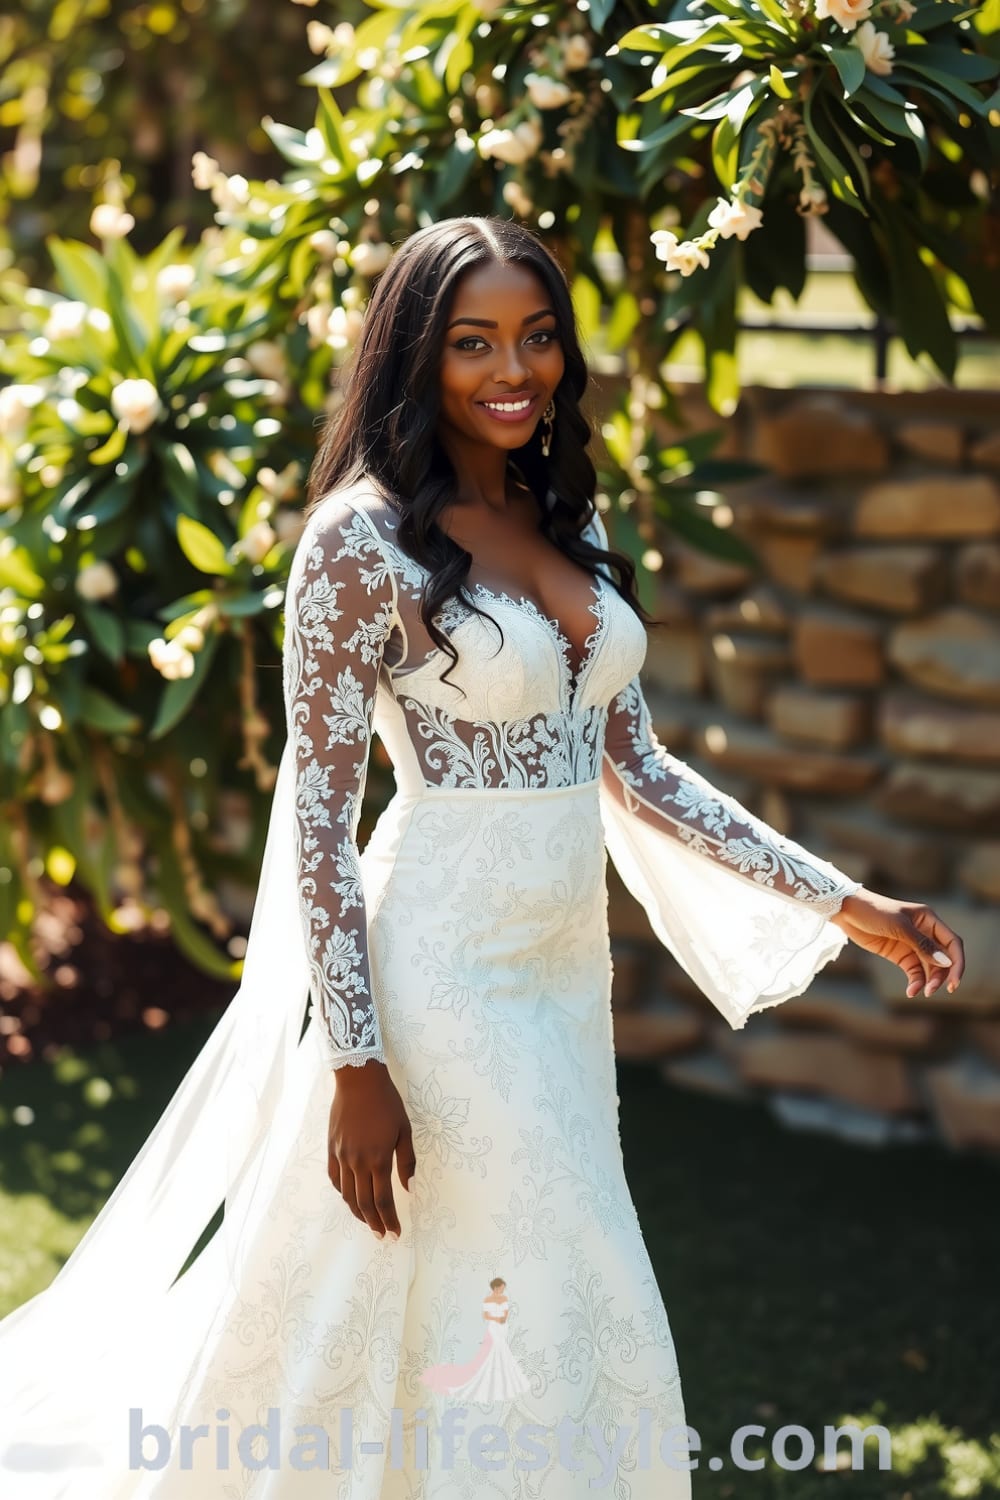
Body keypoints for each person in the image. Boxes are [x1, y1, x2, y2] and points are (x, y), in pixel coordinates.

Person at [0, 215, 964, 1499]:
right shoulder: (357, 546)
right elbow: (319, 830)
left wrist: (846, 902)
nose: (514, 368)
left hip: (562, 977)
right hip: (434, 976)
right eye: (472, 342)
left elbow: (640, 772)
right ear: (416, 355)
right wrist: (354, 1062)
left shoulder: (566, 512)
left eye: (536, 336)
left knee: (496, 1279)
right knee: (548, 1260)